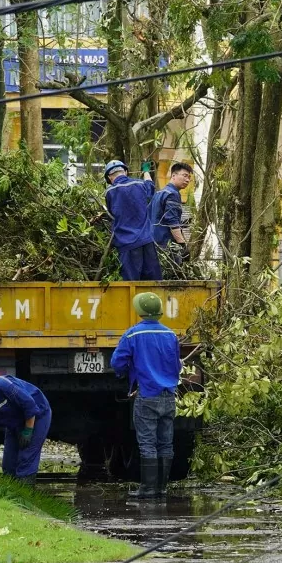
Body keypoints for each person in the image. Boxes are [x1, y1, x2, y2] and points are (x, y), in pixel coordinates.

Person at [111, 292, 182, 499]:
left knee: (147, 443)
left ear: (139, 311)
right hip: (169, 395)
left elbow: (117, 362)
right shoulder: (171, 335)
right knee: (166, 443)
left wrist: (126, 371)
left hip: (147, 395)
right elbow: (176, 364)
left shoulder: (133, 335)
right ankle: (162, 488)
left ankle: (148, 489)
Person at [104, 160, 162, 281]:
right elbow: (150, 187)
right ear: (125, 172)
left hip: (126, 243)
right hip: (146, 241)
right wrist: (146, 170)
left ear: (109, 177)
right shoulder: (140, 184)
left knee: (130, 284)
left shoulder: (109, 192)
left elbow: (111, 213)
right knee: (153, 282)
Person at [150, 162, 192, 271]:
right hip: (167, 247)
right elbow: (172, 222)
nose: (187, 180)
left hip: (153, 245)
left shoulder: (159, 194)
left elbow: (155, 217)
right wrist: (183, 246)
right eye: (185, 175)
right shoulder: (172, 194)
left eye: (189, 177)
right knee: (172, 280)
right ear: (173, 175)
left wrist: (182, 224)